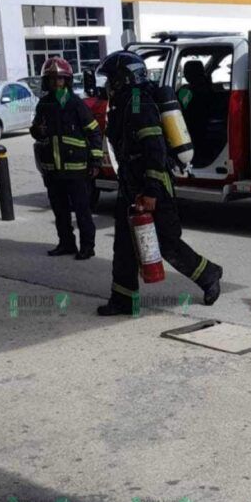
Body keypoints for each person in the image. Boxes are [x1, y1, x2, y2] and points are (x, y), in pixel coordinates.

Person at [96, 51, 222, 316]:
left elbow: (154, 149)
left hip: (152, 186)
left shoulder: (139, 103)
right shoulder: (125, 102)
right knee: (124, 246)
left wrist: (151, 190)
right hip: (131, 184)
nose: (109, 84)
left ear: (124, 78)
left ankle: (209, 275)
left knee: (167, 243)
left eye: (112, 78)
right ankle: (123, 300)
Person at [31, 57, 103, 260]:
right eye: (52, 79)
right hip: (52, 169)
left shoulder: (75, 103)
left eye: (60, 79)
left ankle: (87, 247)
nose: (56, 83)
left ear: (67, 80)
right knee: (60, 211)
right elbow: (37, 131)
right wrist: (37, 130)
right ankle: (66, 244)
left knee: (82, 211)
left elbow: (94, 133)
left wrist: (96, 161)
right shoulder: (43, 104)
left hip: (76, 170)